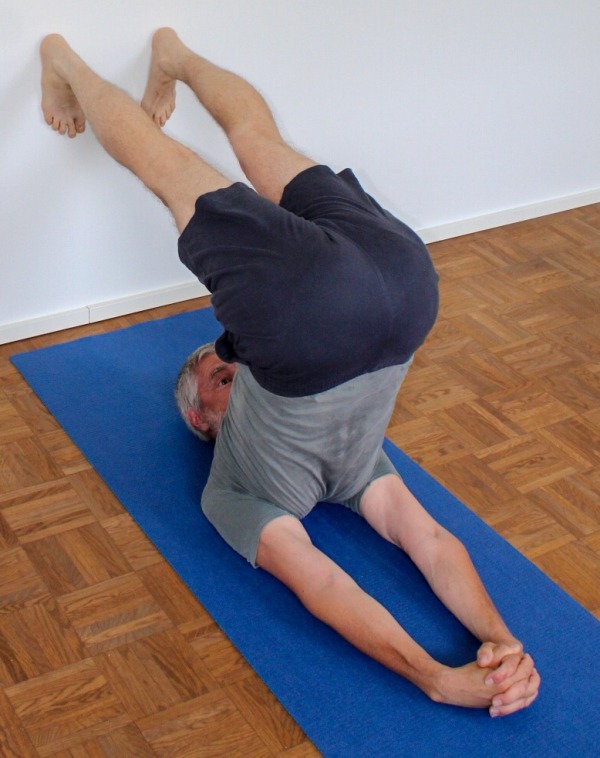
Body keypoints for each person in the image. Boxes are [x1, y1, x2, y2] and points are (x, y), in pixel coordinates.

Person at [40, 27, 540, 717]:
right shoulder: (281, 485)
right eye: (221, 376)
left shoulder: (229, 491)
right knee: (213, 153)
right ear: (201, 420)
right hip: (403, 290)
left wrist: (496, 640)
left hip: (369, 297)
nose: (234, 365)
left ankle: (89, 59)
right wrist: (452, 667)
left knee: (187, 160)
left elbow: (396, 558)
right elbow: (383, 557)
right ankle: (137, 57)